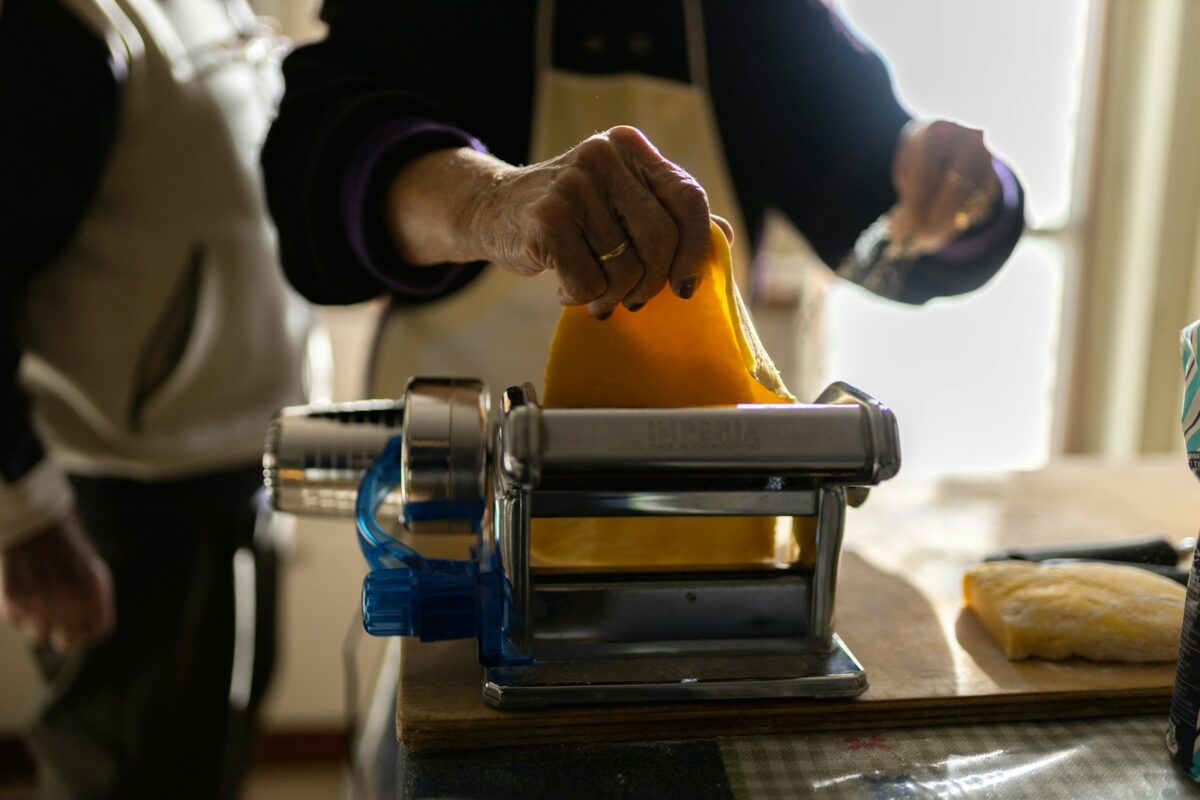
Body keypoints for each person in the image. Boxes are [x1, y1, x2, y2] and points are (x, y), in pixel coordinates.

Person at [261, 0, 1024, 400]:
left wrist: (965, 194)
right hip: (466, 493)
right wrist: (486, 206)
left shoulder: (761, 18)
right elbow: (319, 149)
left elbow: (882, 209)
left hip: (708, 500)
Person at [0, 0, 307, 796]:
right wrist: (23, 516)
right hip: (122, 514)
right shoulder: (61, 31)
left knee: (208, 766)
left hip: (243, 477)